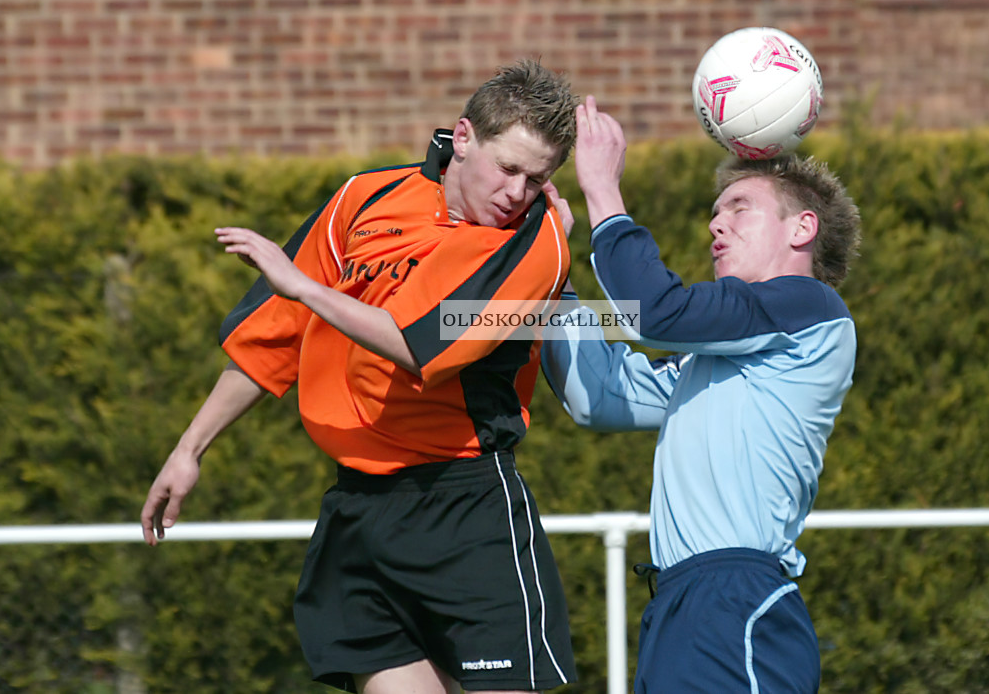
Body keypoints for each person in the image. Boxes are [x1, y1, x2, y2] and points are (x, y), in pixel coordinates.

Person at [140, 59, 580, 694]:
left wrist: (302, 286)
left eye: (536, 179)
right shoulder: (365, 198)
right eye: (508, 168)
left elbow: (417, 347)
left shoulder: (537, 243)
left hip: (465, 511)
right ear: (463, 138)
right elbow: (272, 338)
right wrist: (188, 450)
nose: (518, 193)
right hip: (359, 513)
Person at [541, 96, 861, 693]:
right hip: (682, 604)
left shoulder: (810, 309)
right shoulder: (719, 356)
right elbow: (603, 395)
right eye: (716, 212)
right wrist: (549, 270)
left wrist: (603, 191)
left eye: (740, 207)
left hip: (735, 601)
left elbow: (654, 312)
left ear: (803, 228)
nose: (717, 223)